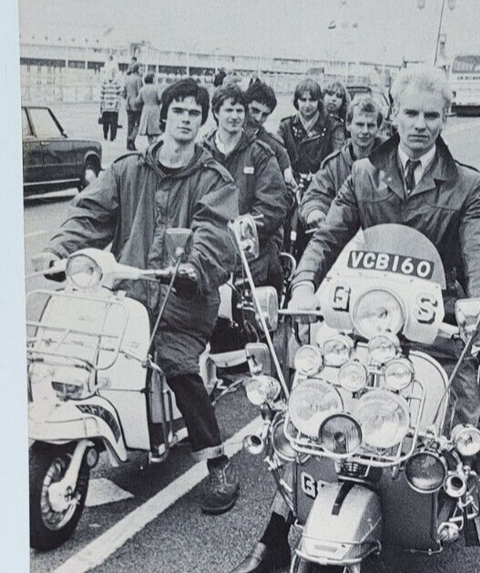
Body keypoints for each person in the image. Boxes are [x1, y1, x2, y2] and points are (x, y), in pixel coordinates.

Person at [228, 68, 480, 573]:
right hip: (360, 321)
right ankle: (276, 533)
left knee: (466, 427)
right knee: (312, 413)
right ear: (395, 113)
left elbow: (477, 256)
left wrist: (479, 312)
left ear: (446, 119)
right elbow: (328, 235)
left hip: (432, 325)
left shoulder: (466, 185)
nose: (420, 125)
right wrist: (303, 283)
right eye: (411, 114)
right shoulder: (364, 174)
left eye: (432, 116)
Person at [33, 79, 242, 515]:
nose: (186, 119)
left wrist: (193, 267)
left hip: (183, 299)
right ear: (163, 115)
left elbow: (214, 233)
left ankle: (216, 463)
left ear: (203, 121)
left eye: (194, 113)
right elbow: (91, 213)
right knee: (72, 346)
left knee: (178, 364)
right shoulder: (128, 169)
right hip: (128, 293)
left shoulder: (213, 179)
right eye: (179, 111)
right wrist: (59, 249)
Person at [202, 83, 288, 289]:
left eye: (239, 110)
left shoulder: (261, 154)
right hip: (206, 248)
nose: (234, 116)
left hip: (250, 255)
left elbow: (273, 206)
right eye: (228, 110)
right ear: (216, 113)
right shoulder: (201, 153)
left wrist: (238, 234)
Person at [299, 96, 384, 229]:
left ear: (378, 128)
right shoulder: (335, 164)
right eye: (360, 124)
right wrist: (316, 211)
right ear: (348, 125)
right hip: (343, 238)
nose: (365, 131)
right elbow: (316, 195)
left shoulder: (392, 159)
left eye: (371, 125)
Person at [277, 77, 346, 178]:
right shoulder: (286, 125)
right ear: (296, 101)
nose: (307, 105)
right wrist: (286, 168)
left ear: (319, 101)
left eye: (312, 100)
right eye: (303, 100)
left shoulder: (334, 126)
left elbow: (338, 157)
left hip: (323, 184)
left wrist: (321, 176)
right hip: (291, 184)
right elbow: (274, 148)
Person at [137, 72, 162, 146]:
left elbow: (138, 100)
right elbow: (160, 98)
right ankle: (154, 144)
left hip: (146, 109)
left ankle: (150, 144)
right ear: (153, 79)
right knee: (155, 129)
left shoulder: (142, 89)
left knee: (148, 130)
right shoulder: (156, 88)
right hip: (155, 109)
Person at [98, 64, 122, 143]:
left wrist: (102, 105)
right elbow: (119, 94)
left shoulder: (105, 82)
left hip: (108, 105)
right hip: (112, 106)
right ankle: (111, 136)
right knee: (113, 122)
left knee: (106, 121)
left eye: (114, 72)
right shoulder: (116, 82)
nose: (113, 73)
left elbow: (102, 94)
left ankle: (108, 135)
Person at [123, 62, 143, 151]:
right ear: (137, 70)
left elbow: (123, 92)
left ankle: (129, 144)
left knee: (129, 125)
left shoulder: (127, 79)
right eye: (141, 69)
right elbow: (140, 93)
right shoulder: (138, 79)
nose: (142, 71)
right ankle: (131, 139)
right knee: (138, 124)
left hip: (128, 104)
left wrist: (128, 99)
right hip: (137, 105)